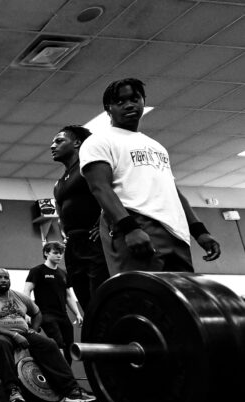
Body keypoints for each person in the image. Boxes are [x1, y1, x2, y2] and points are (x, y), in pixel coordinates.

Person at [80, 78, 221, 276]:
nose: (129, 105)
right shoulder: (99, 141)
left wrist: (199, 231)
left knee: (178, 300)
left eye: (134, 99)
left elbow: (173, 192)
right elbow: (100, 188)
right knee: (143, 299)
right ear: (108, 108)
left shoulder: (156, 146)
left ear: (143, 101)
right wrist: (129, 228)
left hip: (175, 232)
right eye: (120, 102)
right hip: (136, 225)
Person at [0, 269, 95, 402]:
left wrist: (34, 329)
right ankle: (13, 391)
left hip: (23, 332)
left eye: (6, 278)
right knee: (1, 343)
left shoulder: (19, 296)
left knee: (49, 344)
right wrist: (14, 335)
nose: (3, 280)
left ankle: (71, 390)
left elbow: (37, 313)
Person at [51, 125, 109, 309]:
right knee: (86, 301)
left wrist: (104, 223)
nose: (52, 146)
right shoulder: (58, 183)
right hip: (74, 246)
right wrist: (66, 236)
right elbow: (61, 215)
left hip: (94, 241)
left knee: (100, 297)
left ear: (77, 143)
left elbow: (111, 193)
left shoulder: (88, 167)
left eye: (59, 141)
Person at [23, 241, 82, 365]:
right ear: (46, 253)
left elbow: (69, 296)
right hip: (46, 314)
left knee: (69, 346)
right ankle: (61, 376)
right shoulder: (37, 271)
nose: (59, 256)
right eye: (55, 253)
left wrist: (77, 314)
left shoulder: (63, 273)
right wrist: (26, 312)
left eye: (61, 253)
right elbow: (26, 291)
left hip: (63, 315)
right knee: (58, 343)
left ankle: (67, 375)